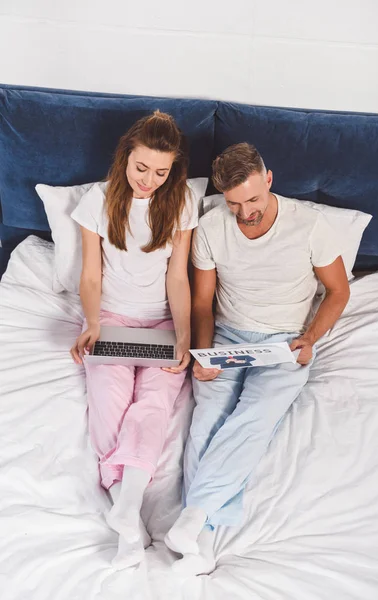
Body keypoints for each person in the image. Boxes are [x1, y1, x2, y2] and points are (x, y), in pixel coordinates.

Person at [165, 142, 350, 576]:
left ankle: (195, 520)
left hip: (286, 342)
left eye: (253, 199)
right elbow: (203, 304)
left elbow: (339, 291)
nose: (245, 211)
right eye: (234, 203)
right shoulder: (211, 228)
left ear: (269, 181)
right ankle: (202, 539)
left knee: (256, 415)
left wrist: (310, 337)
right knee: (207, 417)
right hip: (228, 336)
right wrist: (206, 354)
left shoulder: (310, 225)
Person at [70, 111, 197, 569]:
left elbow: (178, 278)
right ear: (126, 156)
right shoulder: (96, 202)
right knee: (107, 401)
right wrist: (90, 322)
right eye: (142, 168)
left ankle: (126, 508)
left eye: (161, 172)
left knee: (154, 404)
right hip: (110, 319)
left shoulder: (180, 202)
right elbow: (90, 274)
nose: (149, 180)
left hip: (161, 324)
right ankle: (128, 519)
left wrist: (183, 336)